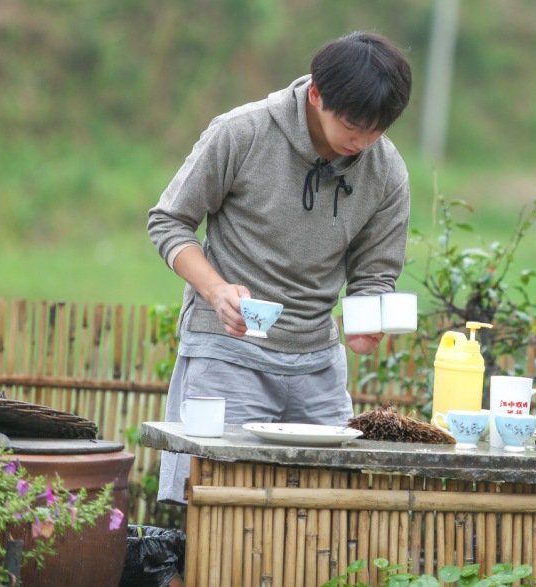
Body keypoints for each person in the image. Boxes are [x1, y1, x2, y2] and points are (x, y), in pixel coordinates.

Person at [148, 30, 413, 503]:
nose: (363, 140)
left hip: (318, 366)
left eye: (378, 128)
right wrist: (216, 291)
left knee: (327, 507)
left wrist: (365, 322)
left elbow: (375, 272)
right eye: (353, 124)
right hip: (229, 353)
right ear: (316, 94)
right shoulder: (242, 133)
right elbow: (169, 222)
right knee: (218, 499)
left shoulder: (385, 168)